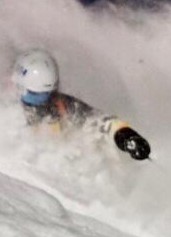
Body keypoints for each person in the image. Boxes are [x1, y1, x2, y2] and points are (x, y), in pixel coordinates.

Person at [12, 49, 151, 161]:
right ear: (19, 87)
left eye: (47, 95)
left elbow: (101, 121)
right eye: (34, 95)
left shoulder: (59, 106)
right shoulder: (4, 109)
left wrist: (125, 135)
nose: (41, 103)